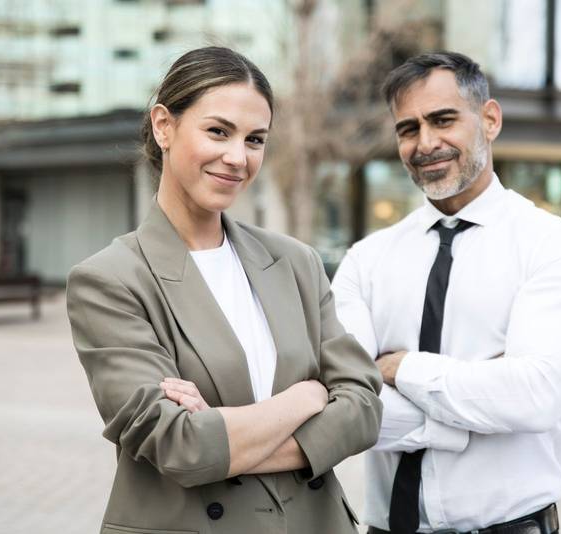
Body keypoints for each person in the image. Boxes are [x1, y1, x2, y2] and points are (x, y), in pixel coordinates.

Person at [66, 47, 382, 534]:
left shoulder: (295, 262)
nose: (237, 157)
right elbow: (181, 447)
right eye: (218, 131)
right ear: (163, 126)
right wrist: (308, 396)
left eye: (255, 139)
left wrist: (224, 435)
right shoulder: (110, 280)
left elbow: (362, 407)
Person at [332, 51, 561, 534]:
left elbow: (534, 397)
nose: (426, 143)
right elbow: (346, 401)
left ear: (489, 119)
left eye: (443, 120)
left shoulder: (554, 248)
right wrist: (467, 411)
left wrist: (402, 368)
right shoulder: (366, 260)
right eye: (408, 128)